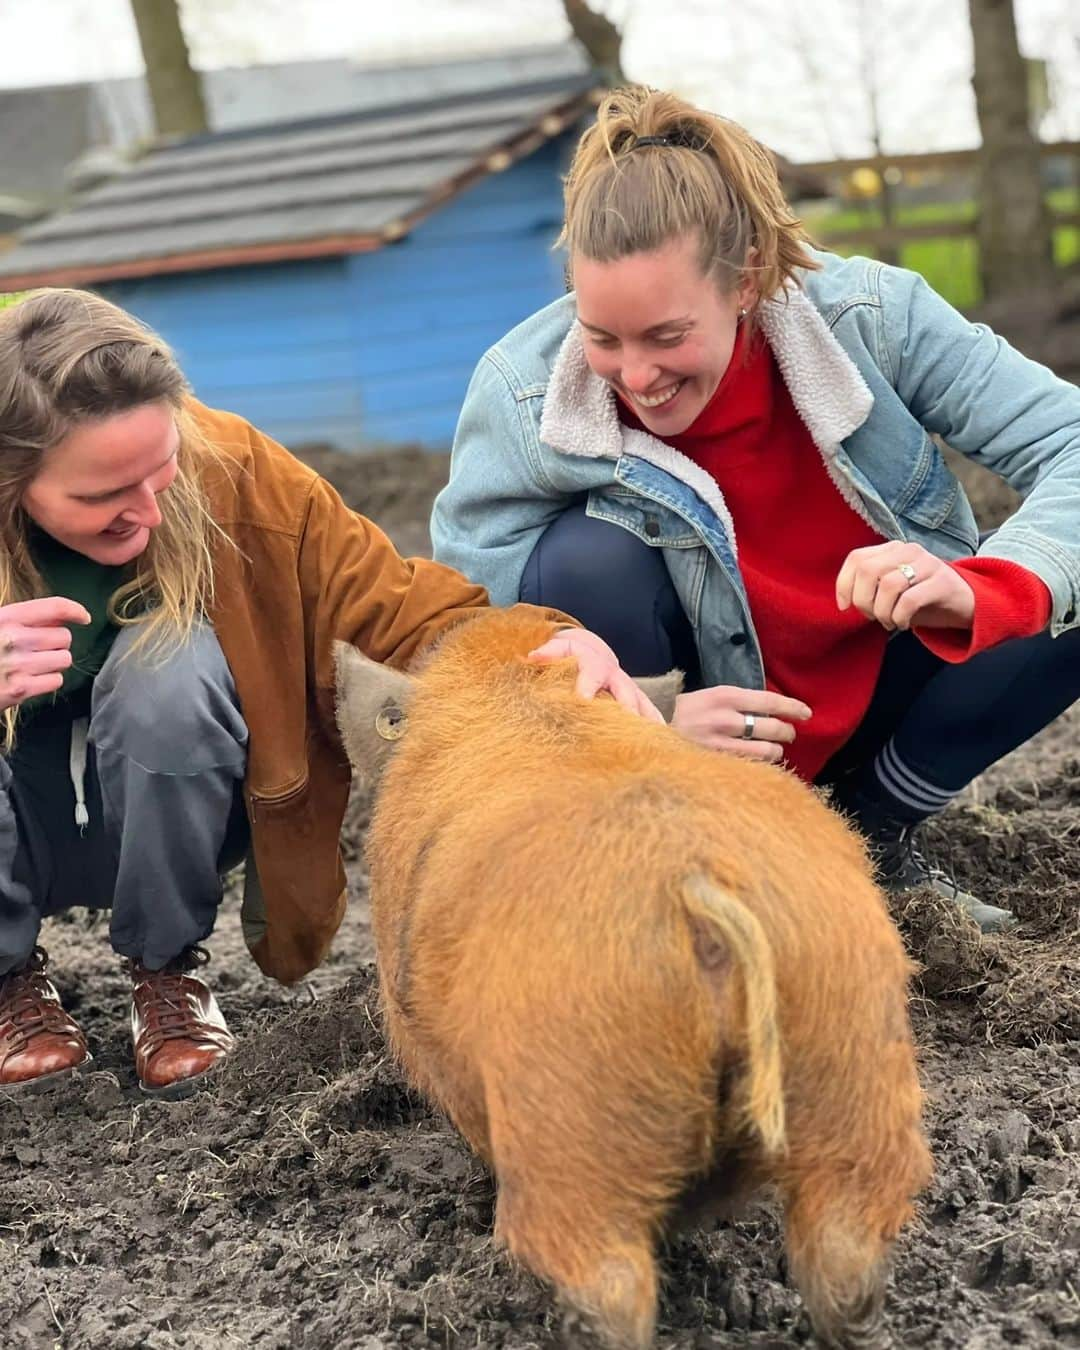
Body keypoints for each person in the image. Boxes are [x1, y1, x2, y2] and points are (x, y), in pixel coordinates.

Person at [432, 85, 1080, 935]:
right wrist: (647, 725)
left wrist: (989, 584)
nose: (635, 374)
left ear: (747, 282)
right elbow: (459, 632)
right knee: (583, 560)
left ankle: (873, 833)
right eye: (603, 336)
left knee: (1063, 578)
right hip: (690, 737)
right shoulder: (522, 393)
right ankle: (673, 858)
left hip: (872, 680)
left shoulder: (870, 316)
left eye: (667, 337)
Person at [0, 289, 654, 1096]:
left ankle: (166, 973)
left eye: (161, 469)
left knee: (169, 672)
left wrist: (548, 646)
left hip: (175, 813)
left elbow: (402, 614)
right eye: (104, 495)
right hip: (18, 825)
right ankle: (6, 981)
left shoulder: (237, 475)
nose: (149, 509)